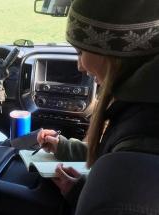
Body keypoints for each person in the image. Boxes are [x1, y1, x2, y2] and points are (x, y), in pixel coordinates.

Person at [36, 0, 159, 212]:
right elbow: (111, 151)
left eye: (80, 52)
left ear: (112, 52)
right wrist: (65, 147)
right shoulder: (140, 109)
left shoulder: (142, 137)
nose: (80, 66)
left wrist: (78, 193)